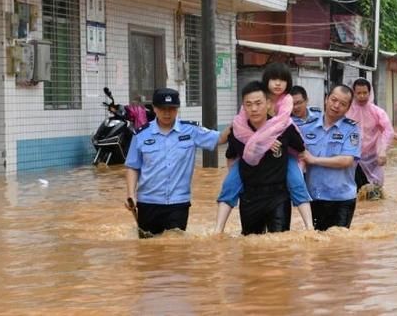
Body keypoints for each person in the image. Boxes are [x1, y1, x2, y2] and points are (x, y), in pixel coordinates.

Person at [214, 63, 313, 233]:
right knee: (230, 183)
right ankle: (218, 230)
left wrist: (300, 152)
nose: (254, 108)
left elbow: (299, 145)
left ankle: (310, 227)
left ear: (267, 104)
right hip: (251, 196)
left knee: (297, 182)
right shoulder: (240, 127)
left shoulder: (284, 119)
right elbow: (231, 153)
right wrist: (264, 142)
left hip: (277, 194)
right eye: (249, 104)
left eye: (258, 104)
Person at [124, 88, 230, 238]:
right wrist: (130, 194)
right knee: (148, 252)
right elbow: (132, 166)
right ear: (154, 108)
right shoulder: (141, 134)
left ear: (177, 109)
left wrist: (242, 121)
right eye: (162, 109)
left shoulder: (191, 131)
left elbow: (220, 138)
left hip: (178, 203)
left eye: (172, 109)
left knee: (176, 252)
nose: (167, 113)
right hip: (148, 203)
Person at [299, 85, 362, 231]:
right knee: (316, 245)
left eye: (343, 104)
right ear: (326, 99)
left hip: (341, 199)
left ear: (348, 108)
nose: (336, 105)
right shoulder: (307, 127)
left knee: (338, 245)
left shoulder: (351, 129)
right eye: (334, 100)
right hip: (314, 197)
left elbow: (347, 160)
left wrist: (314, 160)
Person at [346, 78, 394, 199]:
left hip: (373, 160)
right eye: (358, 93)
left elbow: (388, 131)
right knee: (356, 195)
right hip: (353, 160)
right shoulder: (346, 111)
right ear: (353, 93)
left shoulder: (378, 112)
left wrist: (382, 150)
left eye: (365, 93)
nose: (362, 96)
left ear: (370, 92)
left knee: (375, 195)